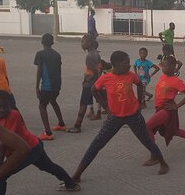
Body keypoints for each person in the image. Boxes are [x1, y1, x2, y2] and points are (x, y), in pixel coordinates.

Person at [71, 51, 169, 180]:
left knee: (147, 140)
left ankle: (163, 163)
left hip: (133, 115)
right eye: (126, 63)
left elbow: (139, 84)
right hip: (115, 118)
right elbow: (94, 90)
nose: (129, 65)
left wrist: (139, 102)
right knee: (96, 144)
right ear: (116, 64)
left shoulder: (130, 75)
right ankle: (77, 174)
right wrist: (106, 107)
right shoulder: (106, 77)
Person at [0, 90, 80, 195]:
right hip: (30, 147)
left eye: (6, 106)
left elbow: (4, 143)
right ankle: (70, 184)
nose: (2, 110)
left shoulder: (13, 115)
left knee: (1, 176)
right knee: (48, 167)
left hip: (29, 149)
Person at [145, 55, 185, 152]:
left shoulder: (176, 81)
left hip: (166, 109)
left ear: (172, 67)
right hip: (159, 107)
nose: (163, 68)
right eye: (163, 66)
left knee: (147, 127)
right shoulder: (163, 76)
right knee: (173, 131)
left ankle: (154, 155)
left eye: (165, 66)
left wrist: (176, 106)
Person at [34, 33, 66, 141]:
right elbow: (59, 71)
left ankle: (48, 132)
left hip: (47, 86)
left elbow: (39, 71)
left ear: (42, 42)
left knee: (42, 106)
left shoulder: (40, 54)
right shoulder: (57, 54)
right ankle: (61, 124)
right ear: (52, 42)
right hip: (56, 84)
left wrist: (37, 86)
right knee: (53, 101)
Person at [67, 35, 101, 133]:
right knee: (102, 101)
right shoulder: (95, 54)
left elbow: (94, 70)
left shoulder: (89, 56)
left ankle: (77, 125)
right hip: (94, 82)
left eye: (83, 42)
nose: (82, 44)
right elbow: (98, 68)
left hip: (89, 83)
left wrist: (93, 81)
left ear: (89, 43)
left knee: (83, 104)